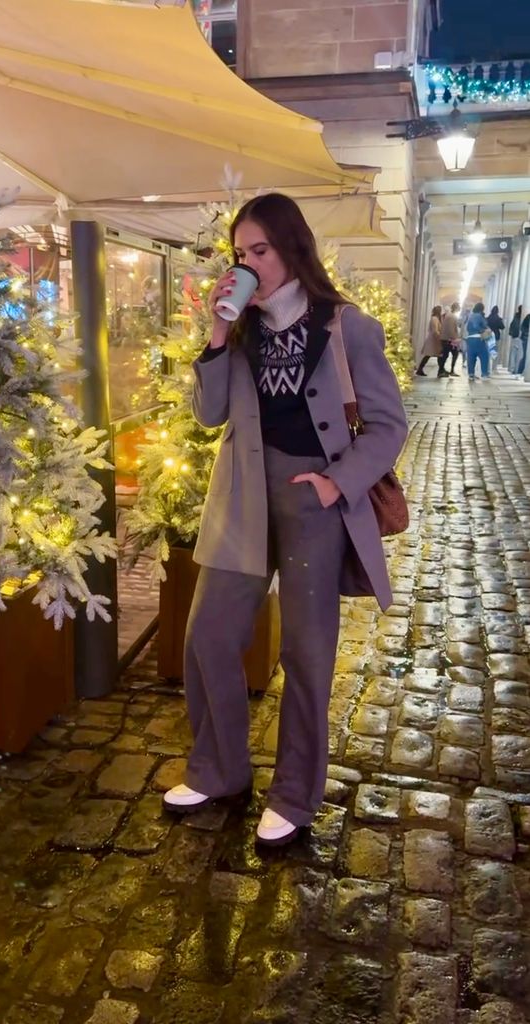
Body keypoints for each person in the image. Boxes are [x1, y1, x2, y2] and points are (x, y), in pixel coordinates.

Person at [162, 193, 408, 846]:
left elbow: (387, 425)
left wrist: (335, 483)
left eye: (260, 252)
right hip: (240, 492)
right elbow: (209, 415)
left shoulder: (345, 326)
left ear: (291, 248)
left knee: (305, 652)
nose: (248, 264)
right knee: (208, 634)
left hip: (312, 500)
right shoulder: (240, 329)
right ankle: (219, 768)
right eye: (240, 254)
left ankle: (295, 795)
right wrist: (216, 334)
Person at [466, 301, 491, 381]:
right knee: (484, 356)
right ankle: (484, 374)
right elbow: (482, 325)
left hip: (470, 339)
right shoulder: (479, 316)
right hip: (478, 339)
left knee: (471, 357)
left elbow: (467, 328)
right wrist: (483, 330)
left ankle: (471, 374)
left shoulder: (470, 316)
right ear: (481, 309)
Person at [416, 305, 442, 376]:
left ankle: (440, 370)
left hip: (433, 340)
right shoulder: (435, 319)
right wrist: (440, 336)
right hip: (433, 340)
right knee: (431, 355)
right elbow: (435, 330)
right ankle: (440, 370)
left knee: (434, 355)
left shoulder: (434, 318)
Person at [439, 301, 461, 377]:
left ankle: (441, 370)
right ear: (457, 308)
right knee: (454, 354)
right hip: (449, 340)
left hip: (445, 338)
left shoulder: (449, 316)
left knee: (445, 355)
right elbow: (451, 329)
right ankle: (450, 370)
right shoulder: (452, 317)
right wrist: (455, 338)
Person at [508, 305, 522, 373]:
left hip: (514, 337)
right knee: (520, 355)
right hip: (521, 338)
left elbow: (511, 325)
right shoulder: (523, 318)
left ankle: (512, 369)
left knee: (513, 353)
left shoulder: (515, 317)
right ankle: (517, 370)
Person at [518, 312, 530, 376]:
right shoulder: (528, 317)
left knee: (525, 356)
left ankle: (519, 372)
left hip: (525, 338)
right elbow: (522, 328)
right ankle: (519, 372)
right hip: (526, 339)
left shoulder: (527, 317)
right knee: (525, 356)